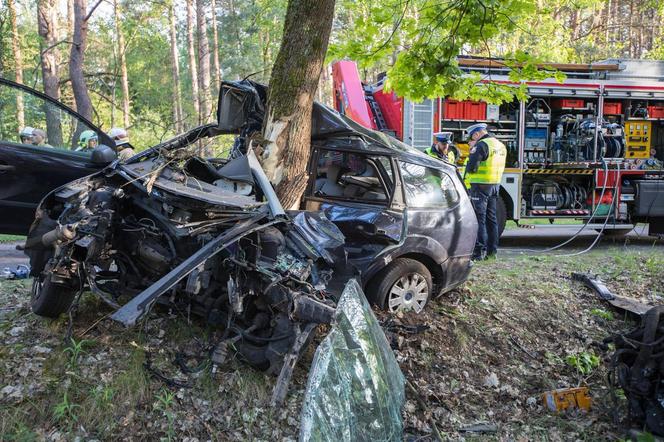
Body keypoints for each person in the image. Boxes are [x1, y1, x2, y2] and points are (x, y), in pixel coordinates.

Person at [463, 123, 506, 260]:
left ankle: (478, 254)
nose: (472, 140)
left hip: (480, 186)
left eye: (472, 137)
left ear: (476, 134)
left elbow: (472, 168)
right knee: (491, 219)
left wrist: (471, 155)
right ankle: (492, 252)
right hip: (495, 185)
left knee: (479, 220)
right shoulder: (500, 145)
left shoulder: (481, 145)